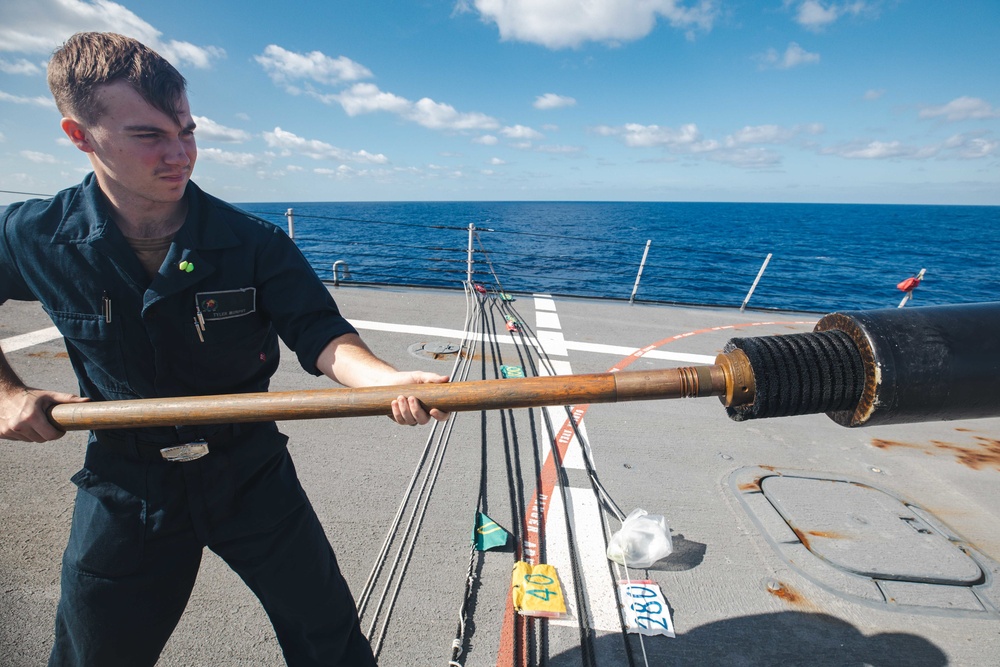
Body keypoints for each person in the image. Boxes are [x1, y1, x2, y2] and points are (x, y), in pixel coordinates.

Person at [0, 32, 448, 666]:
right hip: (128, 482)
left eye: (186, 129)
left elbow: (321, 333)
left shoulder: (253, 242)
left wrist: (381, 380)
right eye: (149, 135)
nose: (180, 153)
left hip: (249, 471)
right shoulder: (35, 235)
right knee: (91, 655)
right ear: (80, 136)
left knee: (331, 644)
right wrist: (8, 393)